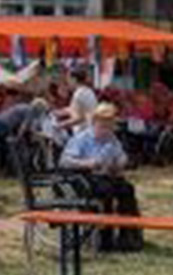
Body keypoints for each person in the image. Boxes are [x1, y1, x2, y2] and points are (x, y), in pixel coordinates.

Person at [60, 102, 142, 250]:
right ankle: (105, 238)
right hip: (85, 179)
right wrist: (87, 163)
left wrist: (119, 164)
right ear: (94, 122)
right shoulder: (82, 138)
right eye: (103, 125)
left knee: (127, 189)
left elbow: (121, 157)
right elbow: (65, 161)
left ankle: (128, 235)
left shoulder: (112, 139)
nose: (106, 130)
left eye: (109, 126)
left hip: (106, 176)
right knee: (106, 191)